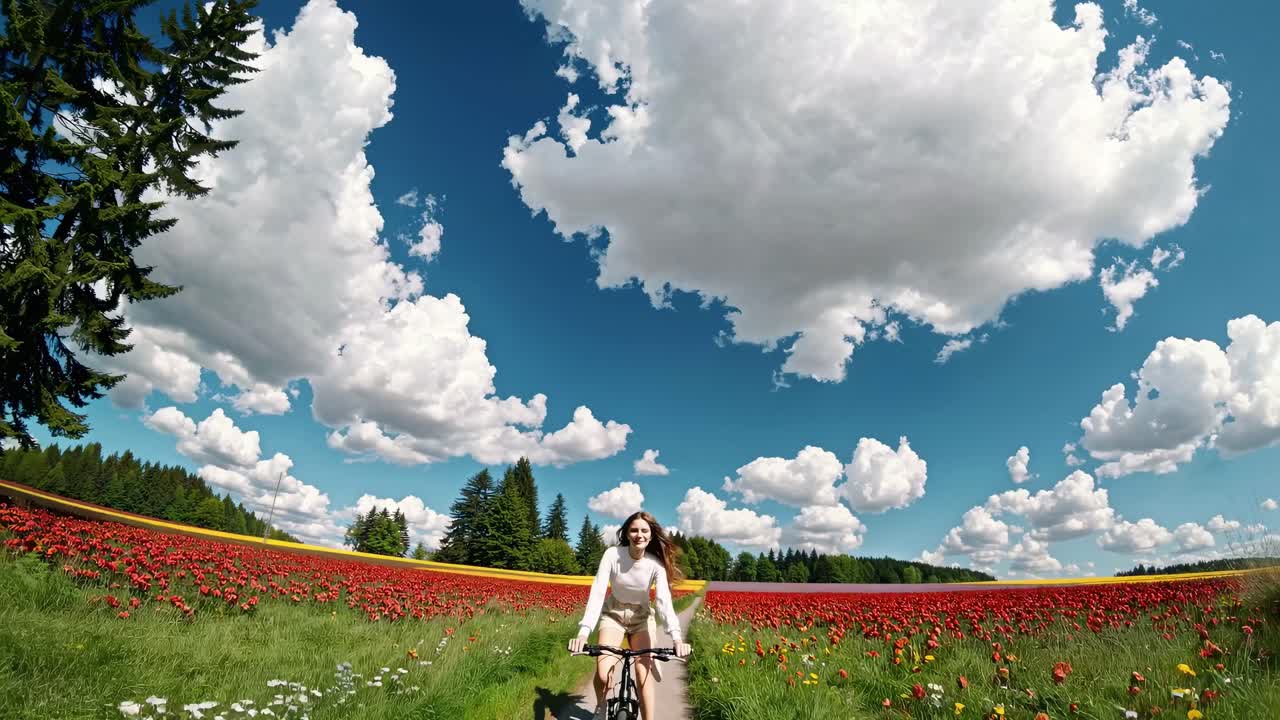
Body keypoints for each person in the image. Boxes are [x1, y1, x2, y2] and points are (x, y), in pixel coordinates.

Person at [568, 511, 692, 720]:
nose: (639, 535)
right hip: (613, 616)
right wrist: (583, 633)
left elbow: (663, 602)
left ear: (651, 536)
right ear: (626, 533)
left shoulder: (656, 565)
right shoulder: (612, 555)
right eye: (634, 530)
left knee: (643, 676)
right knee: (603, 672)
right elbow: (598, 592)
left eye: (644, 531)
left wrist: (677, 638)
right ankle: (601, 706)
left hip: (641, 619)